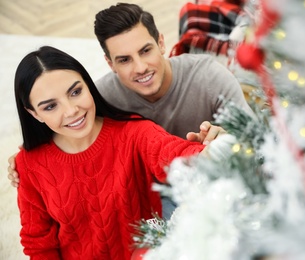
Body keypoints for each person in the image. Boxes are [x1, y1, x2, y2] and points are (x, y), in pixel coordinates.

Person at [7, 3, 253, 217]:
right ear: (110, 63)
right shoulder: (99, 98)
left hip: (212, 180)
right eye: (124, 60)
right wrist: (23, 160)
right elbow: (62, 122)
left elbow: (258, 142)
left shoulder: (210, 76)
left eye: (145, 51)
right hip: (150, 196)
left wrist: (226, 140)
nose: (140, 67)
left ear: (161, 43)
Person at [14, 46, 218, 259]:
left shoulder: (135, 133)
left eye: (75, 92)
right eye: (50, 107)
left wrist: (215, 148)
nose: (71, 110)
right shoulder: (29, 165)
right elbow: (38, 243)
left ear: (88, 86)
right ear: (34, 114)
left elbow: (173, 153)